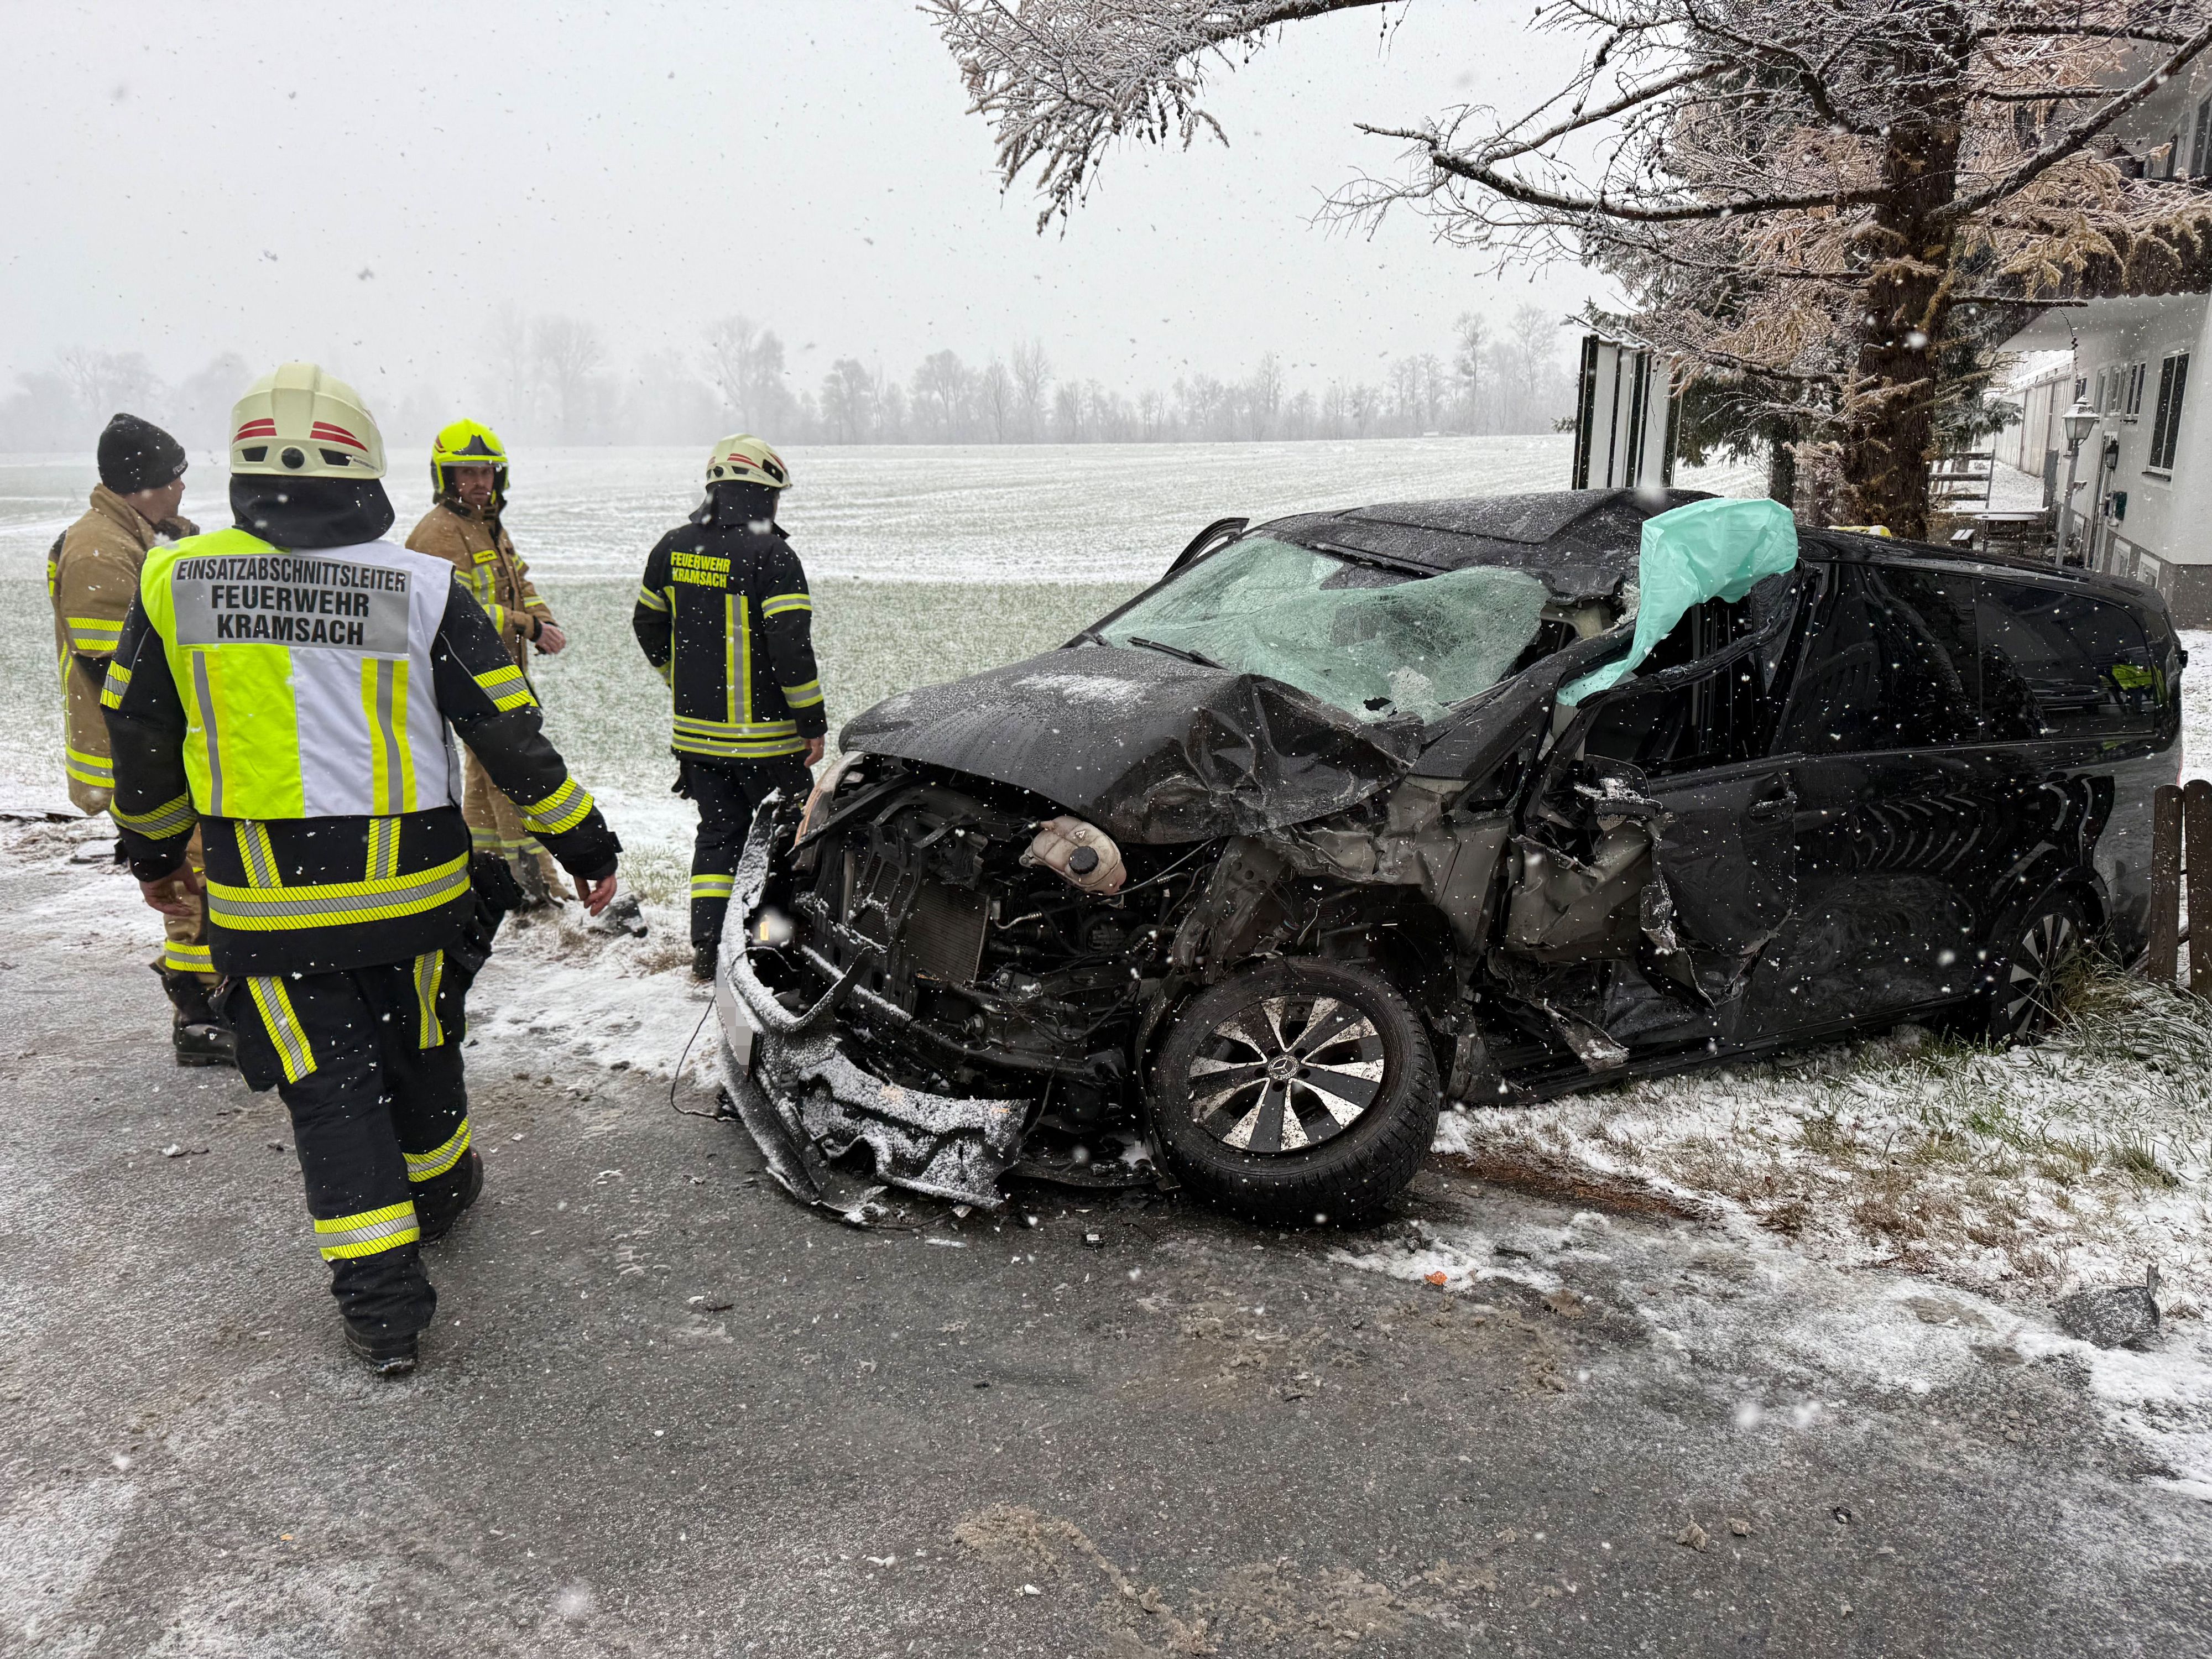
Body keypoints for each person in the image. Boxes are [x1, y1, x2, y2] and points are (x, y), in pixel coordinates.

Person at [102, 363, 621, 1378]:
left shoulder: (178, 580)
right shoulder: (420, 585)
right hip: (413, 895)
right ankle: (441, 1192)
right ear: (368, 469)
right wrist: (586, 844)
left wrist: (157, 858)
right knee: (421, 1043)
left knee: (329, 1092)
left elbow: (143, 738)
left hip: (270, 903)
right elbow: (507, 733)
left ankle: (384, 1314)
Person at [48, 412, 231, 1065]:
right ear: (141, 484)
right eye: (173, 477)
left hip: (158, 744)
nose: (182, 487)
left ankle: (211, 998)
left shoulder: (136, 534)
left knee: (197, 868)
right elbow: (122, 675)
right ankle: (200, 1014)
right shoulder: (98, 551)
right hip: (140, 749)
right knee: (191, 876)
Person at [632, 434, 824, 979]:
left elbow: (647, 624)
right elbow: (790, 647)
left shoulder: (672, 547)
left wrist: (680, 682)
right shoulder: (773, 556)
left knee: (718, 836)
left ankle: (706, 950)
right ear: (763, 495)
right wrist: (811, 722)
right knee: (783, 843)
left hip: (696, 739)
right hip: (768, 743)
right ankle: (769, 951)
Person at [405, 420, 571, 907]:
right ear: (446, 477)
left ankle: (486, 879)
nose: (480, 482)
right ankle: (538, 888)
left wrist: (541, 617)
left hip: (497, 676)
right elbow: (459, 615)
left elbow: (518, 581)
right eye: (468, 473)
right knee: (512, 779)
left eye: (487, 472)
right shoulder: (440, 534)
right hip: (471, 680)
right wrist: (526, 625)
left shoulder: (486, 524)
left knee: (482, 780)